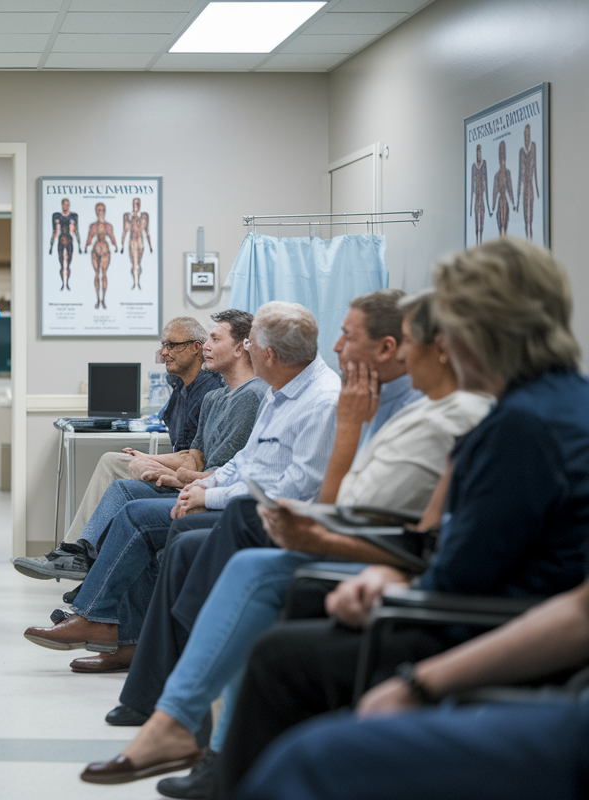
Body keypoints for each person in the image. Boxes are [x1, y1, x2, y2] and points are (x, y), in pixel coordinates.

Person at [213, 238, 589, 798]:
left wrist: (393, 585)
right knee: (307, 600)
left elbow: (459, 576)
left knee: (279, 658)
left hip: (487, 628)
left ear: (476, 333)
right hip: (517, 610)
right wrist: (395, 574)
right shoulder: (565, 403)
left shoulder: (517, 428)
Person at [84, 290, 491, 796]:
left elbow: (346, 504)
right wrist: (208, 486)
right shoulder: (368, 401)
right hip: (344, 534)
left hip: (357, 549)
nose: (335, 346)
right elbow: (273, 473)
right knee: (205, 537)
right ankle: (172, 709)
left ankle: (181, 718)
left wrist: (229, 496)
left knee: (235, 543)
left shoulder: (411, 412)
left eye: (348, 335)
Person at [23, 302, 339, 664]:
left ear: (261, 351)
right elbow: (238, 460)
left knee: (138, 514)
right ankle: (108, 620)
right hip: (230, 493)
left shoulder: (297, 398)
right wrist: (199, 484)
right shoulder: (264, 393)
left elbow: (283, 487)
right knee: (131, 501)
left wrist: (202, 489)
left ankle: (100, 616)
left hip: (262, 513)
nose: (170, 352)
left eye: (216, 339)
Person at [240, 565, 589, 800]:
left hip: (464, 624)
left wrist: (417, 683)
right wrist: (389, 572)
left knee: (312, 760)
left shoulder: (515, 455)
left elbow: (461, 570)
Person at [14, 313, 239, 581]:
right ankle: (77, 552)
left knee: (112, 464)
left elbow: (195, 460)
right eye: (163, 346)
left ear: (196, 347)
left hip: (197, 479)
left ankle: (76, 552)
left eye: (172, 345)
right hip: (186, 468)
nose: (165, 352)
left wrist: (151, 460)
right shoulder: (182, 390)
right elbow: (187, 451)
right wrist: (151, 459)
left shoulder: (210, 393)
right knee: (113, 460)